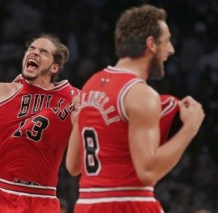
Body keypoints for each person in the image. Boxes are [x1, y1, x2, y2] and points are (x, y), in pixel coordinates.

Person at [65, 4, 205, 213]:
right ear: (151, 44)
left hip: (87, 204)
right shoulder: (141, 94)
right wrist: (190, 128)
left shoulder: (90, 85)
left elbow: (73, 166)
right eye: (166, 41)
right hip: (128, 201)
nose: (171, 50)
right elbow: (147, 172)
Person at [0, 33, 80, 213]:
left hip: (41, 199)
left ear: (54, 67)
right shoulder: (2, 92)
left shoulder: (73, 98)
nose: (34, 53)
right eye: (31, 49)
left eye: (43, 52)